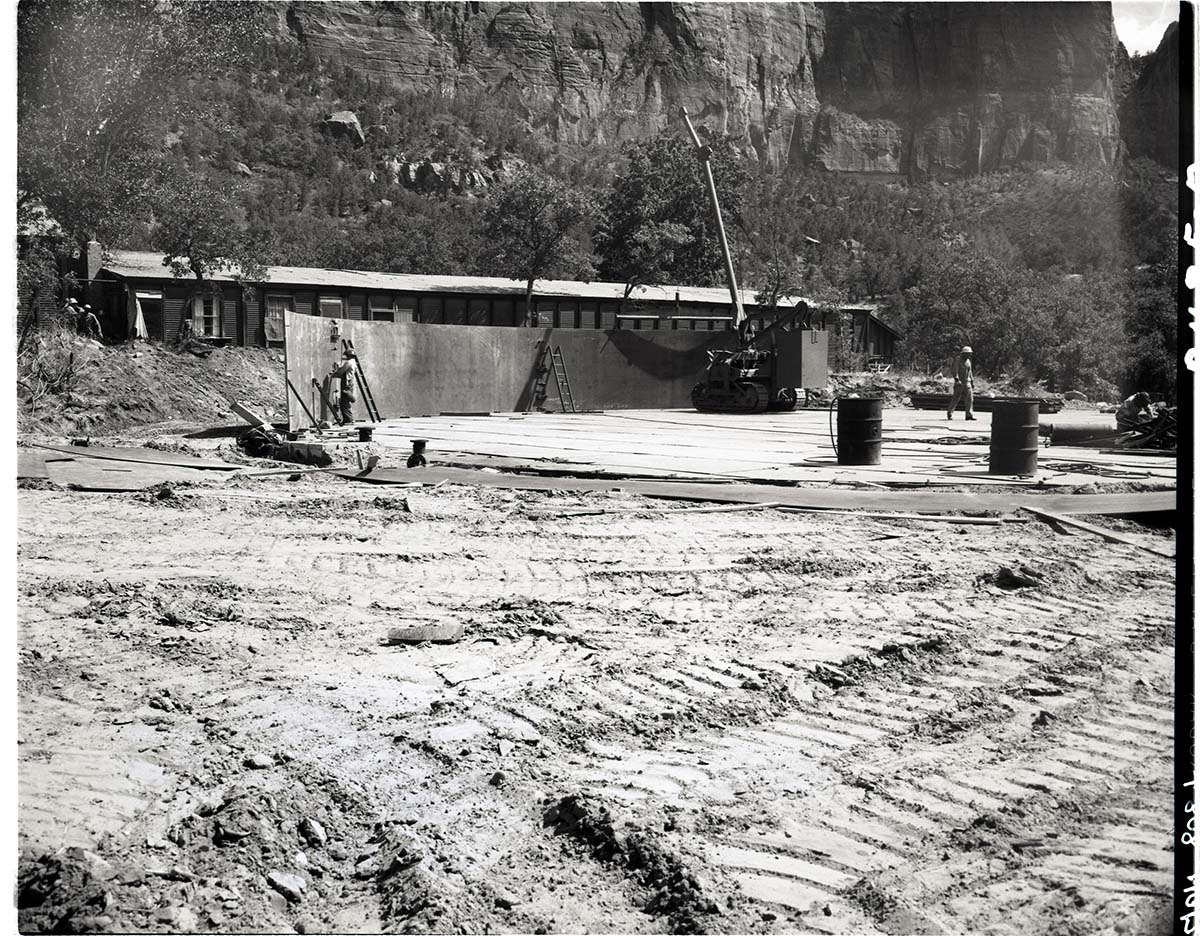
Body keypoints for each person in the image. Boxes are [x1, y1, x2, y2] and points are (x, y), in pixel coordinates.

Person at [947, 345, 975, 420]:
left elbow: (970, 372)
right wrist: (956, 379)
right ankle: (950, 413)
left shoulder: (968, 361)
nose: (970, 355)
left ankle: (969, 415)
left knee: (970, 399)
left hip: (967, 382)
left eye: (970, 353)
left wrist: (972, 381)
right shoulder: (958, 360)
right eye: (968, 353)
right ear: (963, 353)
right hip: (959, 383)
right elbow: (954, 370)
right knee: (956, 398)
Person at [330, 350, 357, 425]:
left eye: (347, 355)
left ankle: (348, 420)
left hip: (346, 383)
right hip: (350, 383)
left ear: (348, 355)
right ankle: (348, 419)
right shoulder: (354, 363)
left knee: (344, 403)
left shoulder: (348, 363)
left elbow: (341, 371)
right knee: (346, 402)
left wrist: (336, 369)